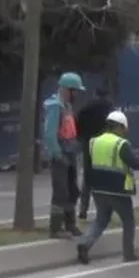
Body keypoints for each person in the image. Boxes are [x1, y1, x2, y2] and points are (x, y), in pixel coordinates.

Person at [76, 111, 139, 264]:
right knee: (128, 221)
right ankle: (129, 253)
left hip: (98, 189)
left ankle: (85, 244)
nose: (125, 132)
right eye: (124, 128)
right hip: (118, 190)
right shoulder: (121, 144)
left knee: (101, 220)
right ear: (119, 127)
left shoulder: (93, 142)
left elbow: (89, 165)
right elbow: (134, 162)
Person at [42, 72, 85, 238]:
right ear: (67, 90)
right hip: (61, 155)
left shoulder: (66, 106)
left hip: (70, 154)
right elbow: (49, 134)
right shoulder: (55, 106)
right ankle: (56, 228)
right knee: (61, 192)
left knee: (73, 191)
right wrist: (58, 154)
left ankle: (70, 224)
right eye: (75, 91)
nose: (77, 95)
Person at [75, 88, 114, 220]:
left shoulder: (86, 108)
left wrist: (82, 138)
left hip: (88, 144)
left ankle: (83, 210)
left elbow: (78, 125)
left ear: (95, 94)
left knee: (88, 179)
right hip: (104, 145)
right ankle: (103, 211)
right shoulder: (109, 108)